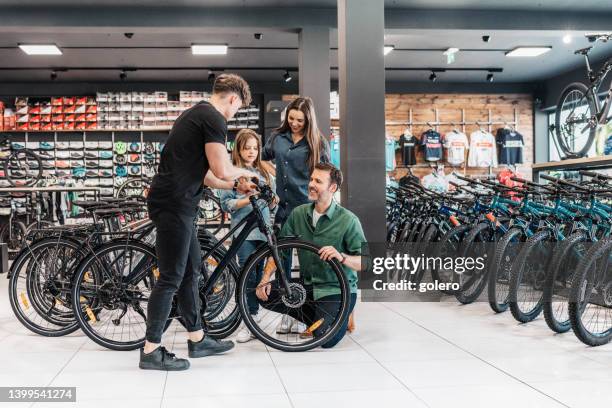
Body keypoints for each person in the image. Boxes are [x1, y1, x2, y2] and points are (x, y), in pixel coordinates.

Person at [140, 74, 258, 371]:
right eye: (238, 108)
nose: (235, 114)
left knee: (192, 271)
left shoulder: (194, 115)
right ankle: (151, 351)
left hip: (179, 203)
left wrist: (235, 186)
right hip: (174, 204)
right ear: (233, 99)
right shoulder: (214, 118)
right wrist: (251, 174)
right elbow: (221, 166)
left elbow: (204, 173)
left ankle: (198, 338)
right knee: (171, 276)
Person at [255, 163, 367, 349]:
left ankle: (341, 312)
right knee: (263, 294)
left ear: (332, 188)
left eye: (318, 181)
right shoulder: (298, 214)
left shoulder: (348, 220)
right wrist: (265, 278)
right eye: (311, 179)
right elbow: (280, 251)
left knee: (326, 339)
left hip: (336, 289)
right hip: (307, 288)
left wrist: (342, 257)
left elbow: (366, 261)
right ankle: (319, 318)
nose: (311, 184)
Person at [261, 96, 331, 333]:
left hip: (307, 209)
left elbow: (329, 174)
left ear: (308, 119)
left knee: (310, 261)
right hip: (283, 208)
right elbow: (262, 157)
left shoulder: (318, 143)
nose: (294, 123)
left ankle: (311, 313)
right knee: (282, 260)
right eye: (291, 118)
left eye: (300, 120)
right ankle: (288, 313)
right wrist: (274, 173)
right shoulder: (277, 138)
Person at [218, 129, 277, 343]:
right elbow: (227, 205)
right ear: (238, 149)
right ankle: (248, 320)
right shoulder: (232, 173)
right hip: (244, 233)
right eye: (247, 148)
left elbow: (272, 204)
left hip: (263, 232)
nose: (251, 152)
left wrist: (272, 201)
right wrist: (249, 197)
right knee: (246, 276)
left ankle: (254, 318)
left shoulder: (265, 172)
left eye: (255, 148)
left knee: (259, 274)